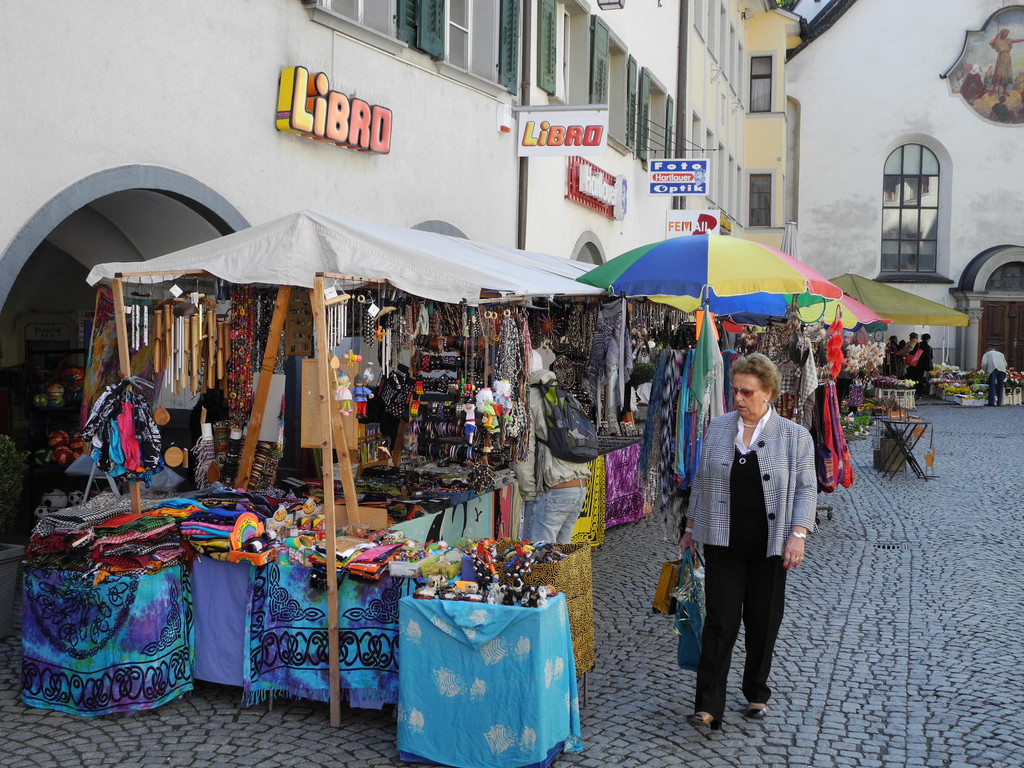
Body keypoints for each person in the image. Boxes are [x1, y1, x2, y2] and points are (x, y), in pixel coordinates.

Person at [680, 353, 816, 731]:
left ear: (768, 392)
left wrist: (798, 535)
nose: (738, 398)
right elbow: (701, 480)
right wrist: (690, 528)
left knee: (763, 622)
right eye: (735, 390)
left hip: (770, 546)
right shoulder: (718, 428)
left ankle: (756, 691)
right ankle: (708, 706)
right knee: (719, 623)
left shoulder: (794, 436)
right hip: (723, 542)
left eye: (747, 392)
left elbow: (807, 490)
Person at [511, 350, 591, 544]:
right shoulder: (563, 394)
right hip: (579, 484)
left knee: (538, 556)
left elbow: (525, 453)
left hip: (554, 488)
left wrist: (529, 494)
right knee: (561, 557)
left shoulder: (528, 400)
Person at [990, 28, 1024, 95]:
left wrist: (1023, 39)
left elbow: (1016, 40)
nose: (1006, 34)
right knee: (999, 75)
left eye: (1007, 33)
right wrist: (996, 37)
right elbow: (991, 43)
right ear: (1002, 33)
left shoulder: (1008, 40)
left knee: (1006, 75)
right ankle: (993, 90)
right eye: (1005, 33)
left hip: (1007, 59)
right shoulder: (998, 40)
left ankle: (1005, 91)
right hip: (1000, 58)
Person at [908, 333, 933, 398]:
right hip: (923, 365)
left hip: (915, 364)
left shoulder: (918, 344)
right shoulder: (929, 347)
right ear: (928, 339)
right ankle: (920, 394)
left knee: (913, 378)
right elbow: (931, 357)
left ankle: (912, 392)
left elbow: (912, 352)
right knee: (920, 379)